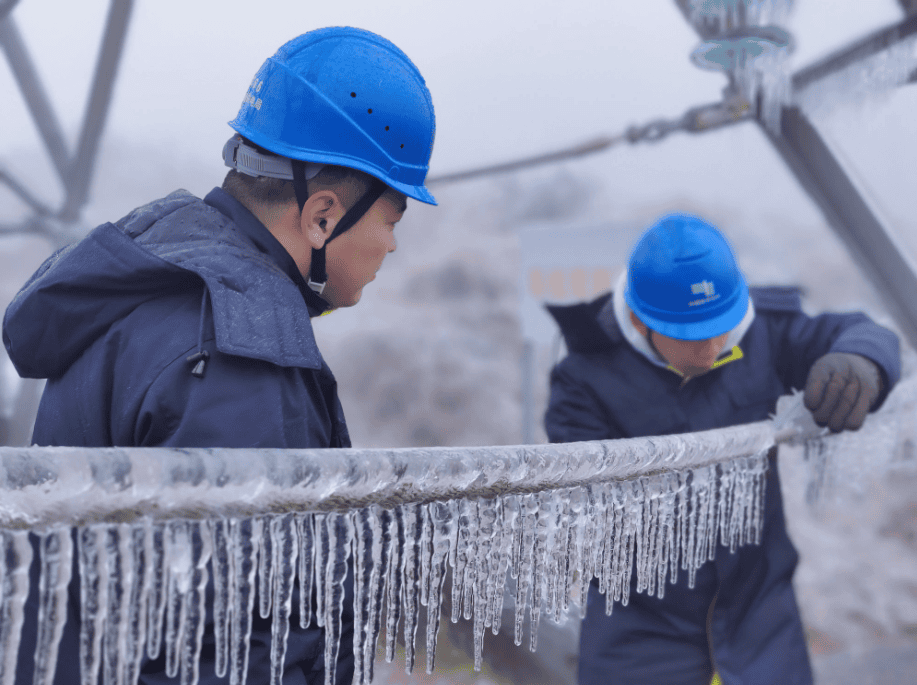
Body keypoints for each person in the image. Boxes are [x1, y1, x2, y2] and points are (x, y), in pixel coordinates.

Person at [2, 27, 436, 685]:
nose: (392, 246)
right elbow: (246, 641)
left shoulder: (150, 280)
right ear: (322, 216)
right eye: (392, 219)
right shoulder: (243, 342)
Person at [544, 213, 900, 685]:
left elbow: (863, 331)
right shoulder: (584, 377)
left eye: (722, 325)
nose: (712, 348)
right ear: (639, 319)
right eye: (691, 336)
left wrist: (862, 361)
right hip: (641, 633)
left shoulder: (764, 334)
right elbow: (586, 517)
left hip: (763, 623)